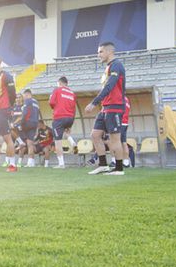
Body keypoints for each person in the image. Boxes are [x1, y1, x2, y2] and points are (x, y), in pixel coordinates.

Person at [85, 42, 127, 175]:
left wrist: (94, 102)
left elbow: (109, 87)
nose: (98, 55)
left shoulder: (116, 65)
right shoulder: (108, 67)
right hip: (105, 107)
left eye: (101, 52)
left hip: (115, 107)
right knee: (95, 135)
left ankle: (119, 168)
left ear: (110, 52)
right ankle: (103, 165)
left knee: (115, 139)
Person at [48, 75, 78, 168]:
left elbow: (51, 102)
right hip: (70, 117)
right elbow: (74, 108)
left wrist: (54, 107)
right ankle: (73, 143)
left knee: (58, 141)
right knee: (66, 131)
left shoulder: (57, 89)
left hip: (59, 117)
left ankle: (61, 164)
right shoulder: (72, 93)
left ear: (60, 83)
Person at [19, 88, 41, 166]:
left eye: (24, 96)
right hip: (35, 123)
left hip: (28, 123)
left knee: (16, 131)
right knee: (30, 143)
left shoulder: (27, 101)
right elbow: (38, 113)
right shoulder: (36, 102)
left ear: (27, 94)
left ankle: (20, 143)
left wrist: (21, 124)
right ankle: (31, 162)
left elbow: (25, 113)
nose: (23, 98)